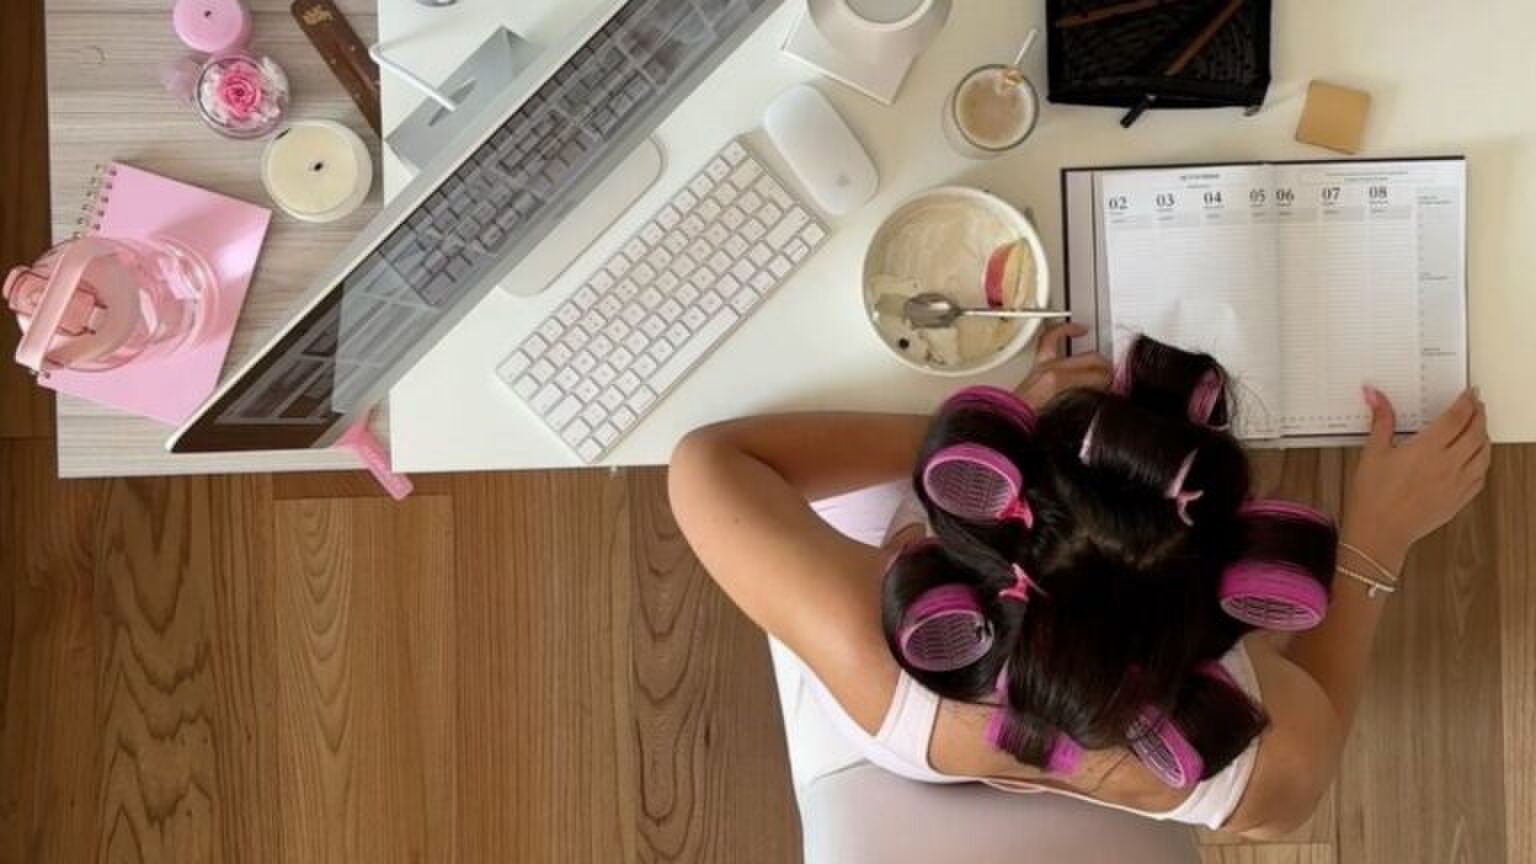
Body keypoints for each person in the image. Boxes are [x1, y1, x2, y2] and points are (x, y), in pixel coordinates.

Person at [668, 324, 1490, 837]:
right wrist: (1379, 536)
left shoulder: (875, 650)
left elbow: (709, 462)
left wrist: (977, 427)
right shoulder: (1272, 761)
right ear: (1228, 613)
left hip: (909, 729)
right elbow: (1321, 727)